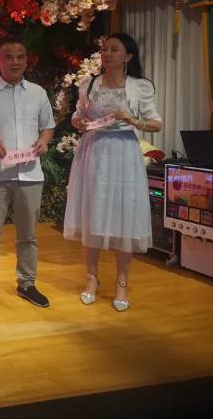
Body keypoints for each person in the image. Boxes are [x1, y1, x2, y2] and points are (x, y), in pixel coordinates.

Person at [63, 33, 162, 312]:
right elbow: (77, 115)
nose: (107, 54)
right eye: (105, 49)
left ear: (128, 56)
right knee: (92, 212)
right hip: (94, 151)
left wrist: (134, 120)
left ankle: (121, 282)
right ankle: (91, 278)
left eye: (114, 49)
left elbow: (156, 123)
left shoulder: (140, 86)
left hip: (124, 154)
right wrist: (79, 122)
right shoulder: (89, 84)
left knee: (124, 215)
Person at [0, 36, 55, 308]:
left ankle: (27, 284)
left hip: (30, 174)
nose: (15, 62)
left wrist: (44, 141)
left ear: (26, 61)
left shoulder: (37, 93)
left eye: (20, 57)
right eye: (9, 57)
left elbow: (48, 126)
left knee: (28, 235)